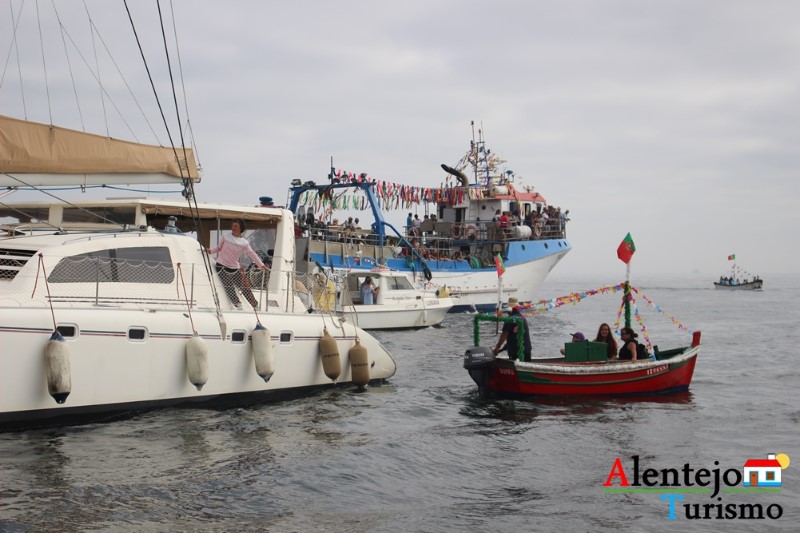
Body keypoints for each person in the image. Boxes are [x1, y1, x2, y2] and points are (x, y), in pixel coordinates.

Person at [206, 219, 268, 309]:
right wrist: (210, 251)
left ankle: (255, 305)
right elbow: (219, 248)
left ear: (240, 228)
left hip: (234, 268)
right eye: (233, 226)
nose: (233, 228)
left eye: (235, 226)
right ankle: (238, 305)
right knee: (229, 286)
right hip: (221, 266)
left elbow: (252, 254)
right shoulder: (225, 237)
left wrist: (261, 265)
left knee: (244, 287)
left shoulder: (244, 243)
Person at [493, 298, 532, 362]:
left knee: (517, 366)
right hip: (527, 349)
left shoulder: (510, 319)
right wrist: (503, 348)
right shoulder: (522, 317)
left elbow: (504, 334)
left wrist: (497, 347)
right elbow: (514, 336)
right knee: (526, 364)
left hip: (516, 352)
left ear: (510, 309)